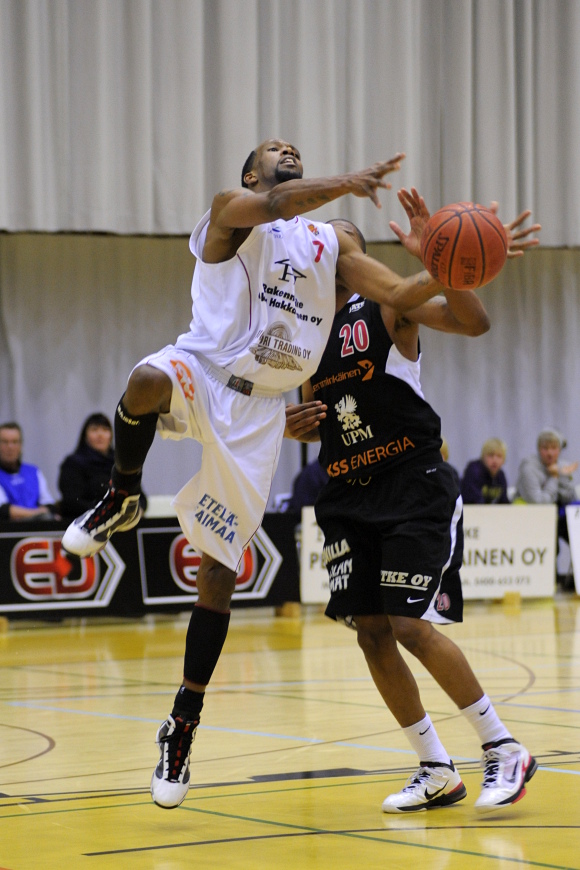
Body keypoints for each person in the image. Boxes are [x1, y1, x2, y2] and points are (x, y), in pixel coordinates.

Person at [61, 139, 455, 809]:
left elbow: (398, 292)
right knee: (146, 379)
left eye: (293, 148)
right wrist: (352, 180)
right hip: (203, 369)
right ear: (249, 174)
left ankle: (182, 724)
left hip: (259, 413)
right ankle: (121, 495)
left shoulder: (327, 243)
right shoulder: (230, 211)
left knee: (219, 571)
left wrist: (451, 261)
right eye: (273, 149)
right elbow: (274, 205)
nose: (286, 149)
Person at [285, 191, 541, 814]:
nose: (325, 247)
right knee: (372, 634)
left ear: (355, 254)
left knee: (408, 625)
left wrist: (443, 261)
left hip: (410, 481)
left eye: (338, 239)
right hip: (346, 492)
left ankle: (503, 746)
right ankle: (435, 768)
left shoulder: (388, 305)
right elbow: (326, 418)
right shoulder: (305, 334)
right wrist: (297, 426)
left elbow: (473, 322)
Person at [514, 428, 578, 588]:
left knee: (576, 533)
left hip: (554, 515)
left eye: (554, 448)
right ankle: (548, 582)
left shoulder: (561, 465)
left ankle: (575, 581)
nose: (550, 453)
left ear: (559, 450)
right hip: (530, 517)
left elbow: (570, 497)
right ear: (538, 449)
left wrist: (563, 477)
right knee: (551, 541)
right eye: (545, 448)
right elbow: (539, 503)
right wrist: (555, 478)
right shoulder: (529, 468)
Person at [58, 413, 147, 520]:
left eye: (105, 430)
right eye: (94, 430)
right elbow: (71, 502)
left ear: (111, 435)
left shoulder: (121, 463)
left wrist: (135, 512)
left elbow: (140, 497)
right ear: (85, 435)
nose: (100, 435)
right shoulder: (73, 463)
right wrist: (106, 513)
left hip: (122, 522)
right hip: (85, 521)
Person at [0, 422, 58, 521]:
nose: (10, 447)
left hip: (38, 527)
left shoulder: (33, 471)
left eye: (15, 442)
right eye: (5, 442)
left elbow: (50, 505)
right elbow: (3, 511)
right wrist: (38, 513)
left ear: (21, 445)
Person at [461, 437, 510, 504]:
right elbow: (474, 501)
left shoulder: (501, 476)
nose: (495, 460)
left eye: (499, 456)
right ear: (483, 457)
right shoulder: (474, 471)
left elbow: (504, 502)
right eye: (491, 455)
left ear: (504, 460)